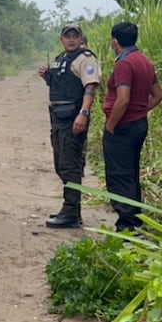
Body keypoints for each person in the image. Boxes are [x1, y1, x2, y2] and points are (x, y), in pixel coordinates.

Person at [102, 21, 162, 232]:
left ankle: (127, 224)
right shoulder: (145, 62)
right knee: (131, 172)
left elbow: (123, 99)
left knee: (119, 175)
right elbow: (158, 95)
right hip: (138, 124)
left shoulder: (124, 64)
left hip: (123, 128)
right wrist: (141, 111)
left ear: (114, 41)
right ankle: (135, 220)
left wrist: (111, 125)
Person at [37, 22, 101, 228]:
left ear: (82, 38)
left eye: (75, 35)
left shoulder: (86, 58)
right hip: (58, 119)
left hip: (73, 119)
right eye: (67, 36)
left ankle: (71, 212)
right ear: (61, 39)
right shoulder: (61, 59)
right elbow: (61, 85)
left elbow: (90, 86)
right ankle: (70, 209)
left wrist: (84, 113)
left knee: (70, 165)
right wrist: (48, 77)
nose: (71, 39)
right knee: (61, 163)